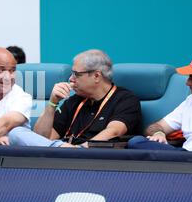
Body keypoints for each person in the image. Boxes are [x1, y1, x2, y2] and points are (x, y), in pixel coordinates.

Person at [9, 49, 142, 148]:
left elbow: (113, 132)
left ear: (96, 76)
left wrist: (80, 149)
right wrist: (52, 102)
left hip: (94, 158)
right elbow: (42, 138)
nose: (71, 79)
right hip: (63, 155)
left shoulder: (125, 99)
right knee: (16, 132)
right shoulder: (74, 100)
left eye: (76, 74)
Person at [128, 53, 192, 152]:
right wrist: (158, 133)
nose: (187, 83)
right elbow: (156, 126)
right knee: (136, 141)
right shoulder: (191, 100)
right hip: (184, 156)